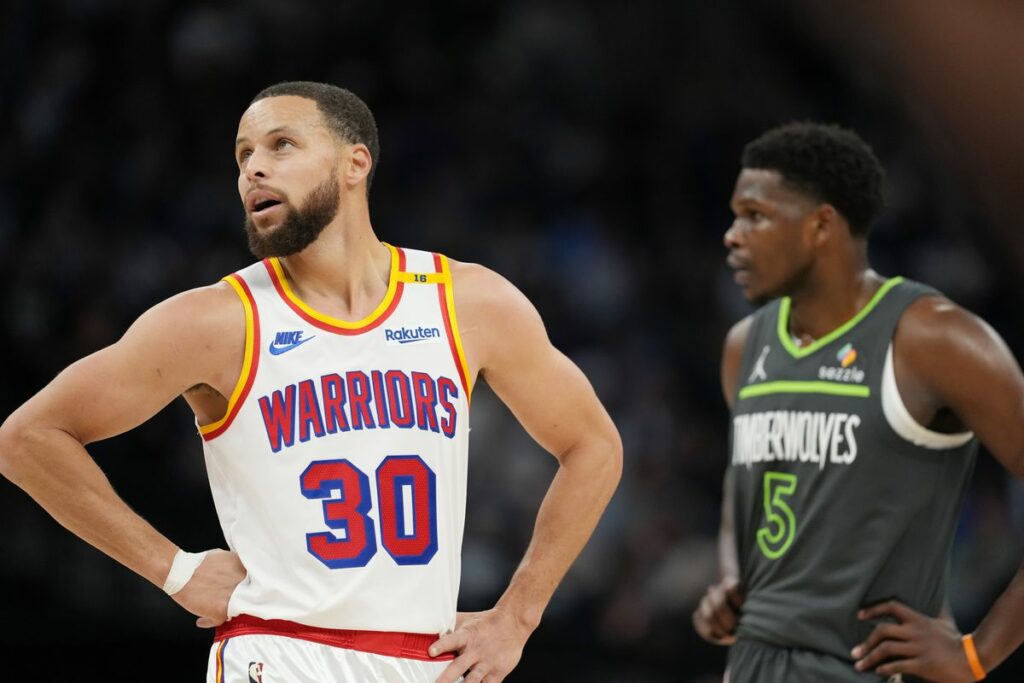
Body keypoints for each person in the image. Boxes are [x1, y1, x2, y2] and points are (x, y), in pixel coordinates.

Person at [0, 81, 622, 683]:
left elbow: (593, 446)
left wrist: (517, 615)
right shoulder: (216, 321)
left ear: (355, 163)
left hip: (430, 659)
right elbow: (26, 438)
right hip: (281, 652)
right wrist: (176, 571)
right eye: (243, 156)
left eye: (281, 146)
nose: (253, 170)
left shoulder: (467, 302)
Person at [693, 122, 1024, 682]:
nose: (731, 234)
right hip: (752, 665)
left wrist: (979, 652)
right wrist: (730, 580)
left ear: (821, 225)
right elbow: (742, 491)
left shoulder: (934, 338)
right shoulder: (743, 348)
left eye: (754, 215)